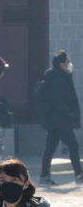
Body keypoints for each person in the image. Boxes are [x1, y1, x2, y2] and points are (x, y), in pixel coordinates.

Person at [39, 50, 83, 186]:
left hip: (54, 119)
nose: (70, 64)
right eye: (68, 62)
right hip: (60, 119)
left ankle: (44, 177)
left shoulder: (59, 76)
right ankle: (79, 174)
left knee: (50, 148)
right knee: (73, 145)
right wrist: (68, 113)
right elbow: (57, 99)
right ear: (61, 64)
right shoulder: (58, 78)